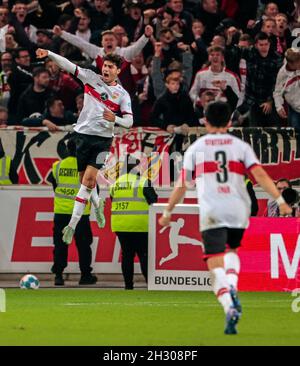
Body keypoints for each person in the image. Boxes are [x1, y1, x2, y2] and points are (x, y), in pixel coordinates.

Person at [158, 101, 292, 335]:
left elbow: (182, 184)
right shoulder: (239, 146)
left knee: (213, 261)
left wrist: (168, 211)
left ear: (206, 121)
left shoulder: (197, 148)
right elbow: (259, 174)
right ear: (230, 122)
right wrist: (280, 201)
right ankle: (232, 285)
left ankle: (229, 304)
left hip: (212, 209)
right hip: (238, 208)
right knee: (232, 252)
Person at [36, 48, 133, 244]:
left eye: (110, 67)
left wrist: (116, 119)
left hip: (102, 141)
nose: (106, 69)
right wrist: (49, 53)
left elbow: (130, 122)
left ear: (118, 71)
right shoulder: (91, 78)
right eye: (105, 65)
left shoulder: (122, 95)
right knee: (85, 184)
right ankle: (97, 204)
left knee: (88, 182)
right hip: (81, 137)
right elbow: (68, 66)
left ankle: (71, 225)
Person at [50, 137, 97, 286]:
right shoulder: (86, 168)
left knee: (60, 245)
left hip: (61, 212)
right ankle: (85, 276)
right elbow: (93, 188)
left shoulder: (57, 166)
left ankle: (58, 276)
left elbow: (54, 185)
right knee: (83, 246)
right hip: (80, 214)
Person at [110, 157, 158, 289]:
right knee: (144, 255)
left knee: (127, 255)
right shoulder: (143, 182)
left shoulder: (116, 183)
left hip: (120, 225)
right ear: (136, 168)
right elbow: (153, 199)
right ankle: (150, 284)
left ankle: (128, 286)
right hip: (140, 225)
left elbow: (112, 199)